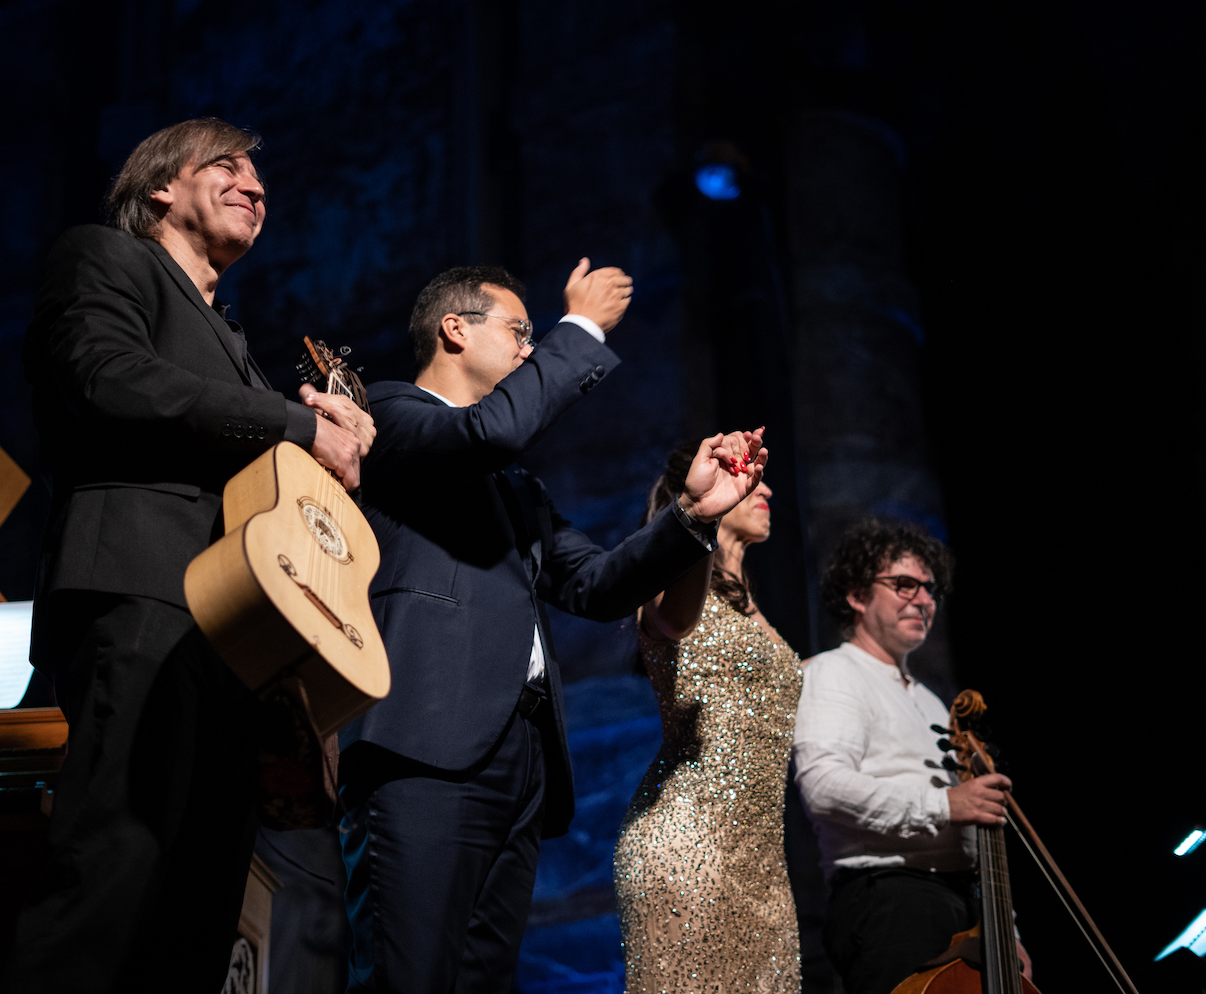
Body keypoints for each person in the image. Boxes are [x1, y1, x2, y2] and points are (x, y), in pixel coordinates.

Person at [6, 118, 374, 993]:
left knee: (199, 912)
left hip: (234, 640)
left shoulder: (238, 346)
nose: (254, 183)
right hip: (141, 595)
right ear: (162, 186)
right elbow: (107, 378)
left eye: (259, 175)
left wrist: (327, 441)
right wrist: (298, 426)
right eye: (228, 166)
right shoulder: (105, 258)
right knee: (110, 873)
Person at [338, 262, 769, 993]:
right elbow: (490, 431)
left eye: (538, 337)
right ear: (454, 329)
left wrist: (693, 514)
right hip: (426, 742)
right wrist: (583, 327)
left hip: (519, 757)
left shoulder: (515, 486)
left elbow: (595, 585)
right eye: (518, 331)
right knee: (407, 975)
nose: (531, 350)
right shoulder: (389, 413)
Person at [792, 518, 1032, 994]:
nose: (924, 600)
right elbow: (824, 788)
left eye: (930, 589)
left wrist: (1007, 929)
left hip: (966, 907)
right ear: (857, 595)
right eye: (904, 585)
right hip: (894, 901)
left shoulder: (932, 702)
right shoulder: (833, 674)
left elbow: (970, 835)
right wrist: (945, 805)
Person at [615, 442, 804, 992]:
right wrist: (702, 516)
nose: (766, 488)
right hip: (689, 847)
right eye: (751, 475)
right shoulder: (666, 582)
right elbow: (673, 623)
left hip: (765, 865)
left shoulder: (753, 608)